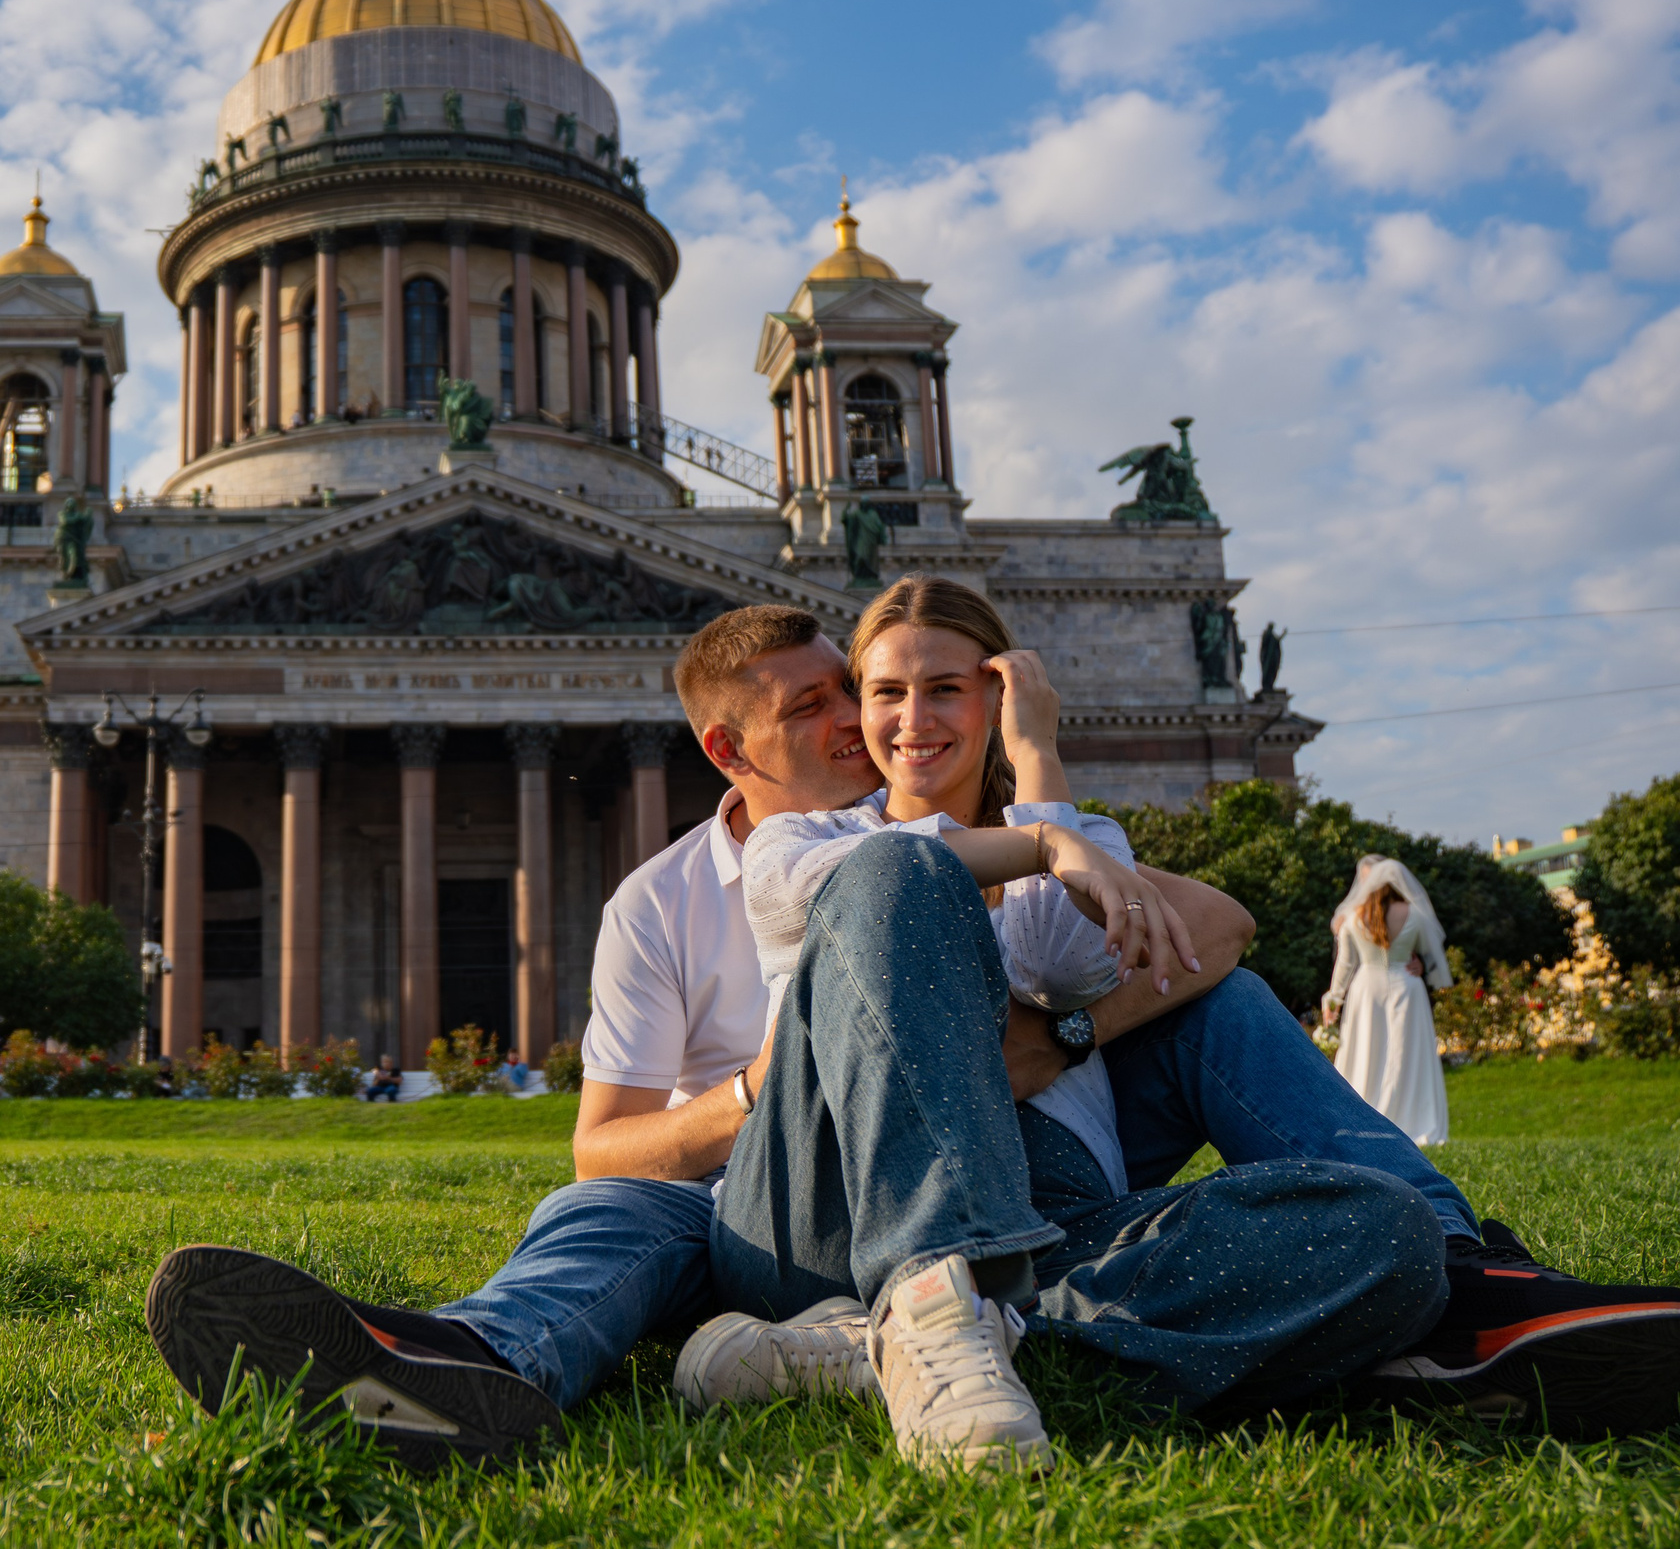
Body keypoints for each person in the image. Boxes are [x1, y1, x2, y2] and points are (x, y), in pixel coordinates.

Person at [143, 597, 1680, 1472]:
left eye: (882, 695)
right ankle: (475, 1354)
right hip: (754, 1197)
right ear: (729, 744)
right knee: (616, 1203)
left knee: (1360, 1216)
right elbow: (611, 1132)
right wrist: (782, 1077)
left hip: (1029, 1207)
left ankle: (1441, 1281)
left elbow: (1210, 932)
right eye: (831, 701)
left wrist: (1054, 1000)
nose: (860, 725)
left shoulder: (955, 828)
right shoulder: (750, 873)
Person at [1323, 856, 1453, 1146]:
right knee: (1406, 1055)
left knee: (1368, 1050)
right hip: (1407, 987)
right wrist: (1420, 964)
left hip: (1367, 990)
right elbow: (1435, 955)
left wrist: (1333, 999)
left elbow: (1344, 965)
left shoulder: (1353, 918)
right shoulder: (1416, 914)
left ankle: (1363, 1119)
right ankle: (1410, 1119)